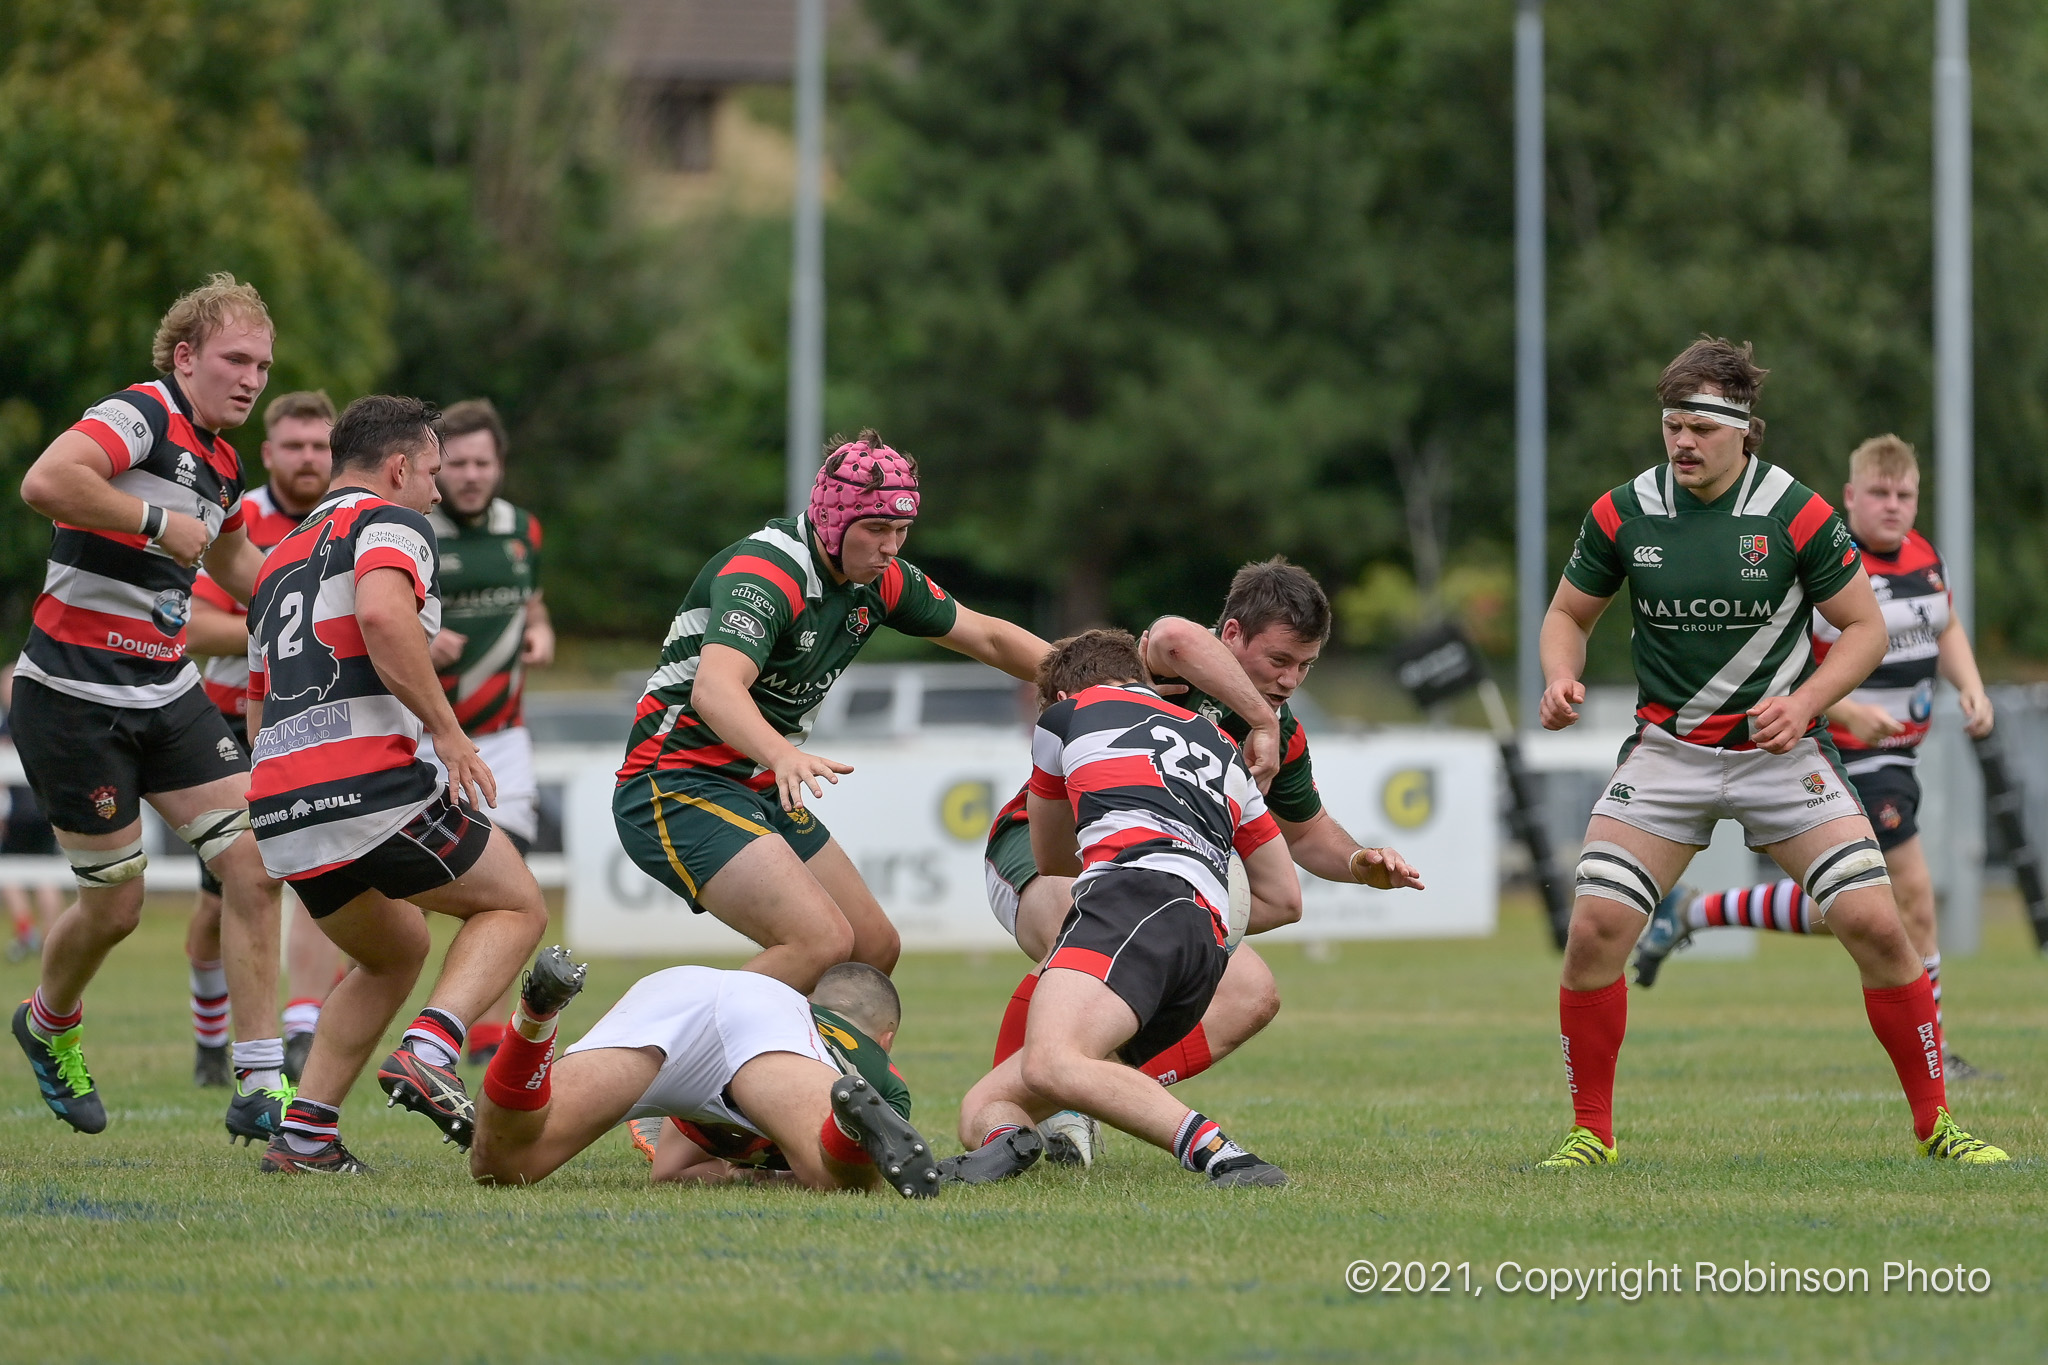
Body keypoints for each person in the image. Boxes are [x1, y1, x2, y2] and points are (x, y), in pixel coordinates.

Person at [1535, 338, 2005, 1168]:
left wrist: (1808, 702)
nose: (1681, 443)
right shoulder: (1623, 511)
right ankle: (1589, 1134)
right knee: (1595, 928)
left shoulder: (1799, 512)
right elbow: (1568, 615)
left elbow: (1864, 627)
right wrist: (1561, 676)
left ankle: (1938, 1124)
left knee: (1874, 920)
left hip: (1779, 753)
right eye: (1672, 425)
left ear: (1743, 431)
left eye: (1699, 428)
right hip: (1668, 751)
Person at [978, 558, 1422, 1166]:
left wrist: (1358, 860)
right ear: (1231, 636)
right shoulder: (1176, 670)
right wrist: (1261, 720)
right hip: (1046, 855)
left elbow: (1308, 831)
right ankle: (1060, 1101)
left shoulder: (1282, 734)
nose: (1291, 681)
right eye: (1279, 661)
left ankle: (1067, 1095)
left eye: (1305, 666)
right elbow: (1172, 636)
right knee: (1083, 917)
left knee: (1251, 991)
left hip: (1159, 879)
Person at [613, 430, 1048, 991]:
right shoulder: (766, 573)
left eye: (901, 531)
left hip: (757, 782)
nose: (891, 547)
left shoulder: (881, 581)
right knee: (818, 942)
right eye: (876, 529)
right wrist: (781, 754)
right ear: (831, 520)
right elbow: (715, 690)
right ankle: (660, 1061)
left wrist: (1103, 685)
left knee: (871, 948)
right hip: (673, 784)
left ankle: (813, 1076)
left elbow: (987, 638)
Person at [9, 273, 289, 1143]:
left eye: (263, 366)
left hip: (166, 694)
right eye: (235, 360)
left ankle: (260, 1084)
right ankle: (49, 1022)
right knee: (117, 905)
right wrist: (151, 523)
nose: (251, 379)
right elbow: (46, 480)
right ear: (185, 357)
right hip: (73, 700)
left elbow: (239, 565)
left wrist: (313, 604)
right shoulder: (140, 414)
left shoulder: (224, 459)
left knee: (253, 862)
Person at [241, 395, 547, 1173]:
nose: (439, 493)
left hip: (281, 803)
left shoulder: (279, 555)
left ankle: (305, 1134)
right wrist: (447, 733)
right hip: (365, 783)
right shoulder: (390, 521)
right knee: (517, 903)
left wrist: (279, 789)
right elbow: (383, 615)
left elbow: (256, 694)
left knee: (396, 948)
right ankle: (432, 1047)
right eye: (435, 473)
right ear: (399, 466)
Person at [1631, 435, 1998, 1080]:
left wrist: (1970, 683)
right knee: (1911, 896)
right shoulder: (1829, 557)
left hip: (1901, 758)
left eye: (1905, 495)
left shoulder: (1923, 558)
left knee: (1853, 907)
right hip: (1843, 755)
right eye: (1879, 494)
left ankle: (1693, 911)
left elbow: (1948, 626)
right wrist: (1842, 708)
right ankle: (1938, 1055)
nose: (1893, 506)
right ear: (1851, 497)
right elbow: (1790, 653)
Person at [950, 630, 1301, 1189]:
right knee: (981, 1107)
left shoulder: (1067, 716)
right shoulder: (1219, 746)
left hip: (1131, 895)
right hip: (1204, 946)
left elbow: (1055, 859)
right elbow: (1286, 898)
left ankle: (1222, 1155)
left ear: (1061, 694)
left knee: (1050, 1062)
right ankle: (1006, 1142)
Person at [183, 390, 347, 1086]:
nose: (309, 457)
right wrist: (290, 630)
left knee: (321, 876)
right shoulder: (236, 517)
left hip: (315, 722)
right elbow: (190, 627)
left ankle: (305, 1023)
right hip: (226, 724)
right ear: (270, 452)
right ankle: (209, 1037)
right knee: (227, 894)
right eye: (296, 445)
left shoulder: (347, 518)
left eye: (320, 445)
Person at [471, 952, 936, 1197]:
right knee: (840, 1180)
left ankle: (534, 1020)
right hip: (766, 1024)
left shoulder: (803, 1009)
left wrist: (738, 1171)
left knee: (504, 1166)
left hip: (672, 989)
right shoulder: (879, 1070)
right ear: (887, 1037)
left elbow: (671, 1170)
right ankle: (847, 1127)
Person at [421, 398, 552, 1064]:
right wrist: (424, 635)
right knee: (406, 885)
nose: (471, 475)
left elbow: (531, 599)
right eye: (459, 462)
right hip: (422, 736)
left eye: (483, 462)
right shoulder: (413, 530)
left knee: (512, 879)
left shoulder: (522, 530)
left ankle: (489, 1025)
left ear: (499, 465)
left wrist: (540, 629)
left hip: (502, 734)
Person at [1, 663, 65, 961]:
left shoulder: (7, 725)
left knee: (9, 872)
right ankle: (53, 941)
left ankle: (27, 932)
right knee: (46, 874)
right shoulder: (49, 720)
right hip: (48, 809)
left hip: (18, 813)